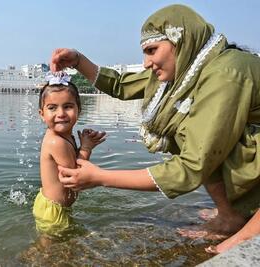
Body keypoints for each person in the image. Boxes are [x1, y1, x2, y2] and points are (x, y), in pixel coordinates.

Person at [50, 4, 260, 253]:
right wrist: (78, 61)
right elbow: (121, 86)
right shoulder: (189, 70)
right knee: (197, 133)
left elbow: (193, 166)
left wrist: (101, 178)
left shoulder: (225, 73)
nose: (147, 63)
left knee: (203, 141)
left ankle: (247, 233)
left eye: (152, 50)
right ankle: (229, 215)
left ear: (180, 40)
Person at [33, 72, 106, 241]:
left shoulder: (65, 136)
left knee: (57, 247)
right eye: (52, 108)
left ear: (78, 110)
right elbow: (76, 176)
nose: (61, 113)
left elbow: (71, 163)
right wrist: (86, 148)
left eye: (68, 106)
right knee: (48, 251)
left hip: (52, 206)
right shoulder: (56, 142)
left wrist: (82, 145)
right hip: (53, 211)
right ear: (42, 114)